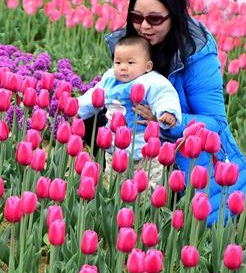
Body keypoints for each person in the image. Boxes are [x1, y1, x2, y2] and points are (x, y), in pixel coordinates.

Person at [78, 0, 246, 226]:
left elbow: (215, 122)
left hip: (180, 149)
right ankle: (111, 195)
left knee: (164, 205)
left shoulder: (197, 55)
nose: (144, 26)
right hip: (135, 141)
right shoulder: (132, 46)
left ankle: (156, 213)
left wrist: (165, 121)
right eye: (137, 18)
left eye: (155, 19)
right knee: (91, 118)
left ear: (174, 16)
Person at [77, 35, 182, 184]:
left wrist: (167, 112)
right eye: (118, 62)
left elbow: (164, 95)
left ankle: (144, 206)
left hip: (145, 151)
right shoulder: (109, 80)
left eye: (130, 62)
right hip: (114, 150)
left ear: (148, 66)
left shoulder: (151, 81)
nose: (123, 67)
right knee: (114, 185)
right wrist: (76, 109)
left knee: (147, 188)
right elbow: (94, 96)